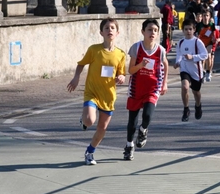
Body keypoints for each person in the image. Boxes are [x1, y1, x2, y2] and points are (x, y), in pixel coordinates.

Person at [67, 17, 126, 165]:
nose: (109, 30)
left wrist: (121, 77)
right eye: (106, 28)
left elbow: (121, 73)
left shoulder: (121, 54)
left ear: (117, 33)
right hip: (92, 92)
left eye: (112, 28)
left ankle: (90, 152)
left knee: (102, 128)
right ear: (101, 32)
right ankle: (84, 119)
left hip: (108, 95)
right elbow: (81, 64)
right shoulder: (94, 50)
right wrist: (76, 78)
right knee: (89, 120)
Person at [123, 19, 169, 160]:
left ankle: (143, 130)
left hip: (152, 88)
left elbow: (165, 65)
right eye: (149, 30)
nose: (152, 33)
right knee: (132, 121)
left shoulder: (160, 50)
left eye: (155, 30)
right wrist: (141, 65)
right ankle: (129, 146)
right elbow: (131, 70)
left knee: (148, 116)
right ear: (143, 32)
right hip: (136, 88)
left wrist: (165, 83)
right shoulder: (136, 48)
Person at [173, 19, 208, 122]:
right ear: (183, 30)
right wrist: (178, 62)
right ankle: (186, 109)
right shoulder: (180, 42)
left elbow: (205, 55)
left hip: (196, 70)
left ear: (194, 30)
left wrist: (192, 57)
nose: (188, 31)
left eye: (190, 29)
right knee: (185, 87)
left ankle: (198, 106)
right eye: (186, 29)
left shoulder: (197, 42)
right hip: (185, 69)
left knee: (196, 92)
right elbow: (179, 54)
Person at [196, 9, 217, 82]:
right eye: (204, 16)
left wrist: (214, 38)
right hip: (201, 43)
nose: (205, 17)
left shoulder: (212, 25)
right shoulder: (199, 25)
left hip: (209, 43)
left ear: (209, 17)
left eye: (207, 16)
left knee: (208, 56)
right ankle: (202, 72)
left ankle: (208, 72)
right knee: (202, 59)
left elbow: (214, 34)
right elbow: (196, 34)